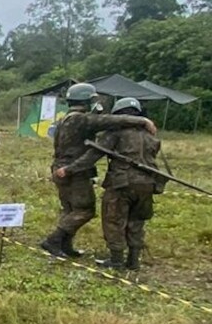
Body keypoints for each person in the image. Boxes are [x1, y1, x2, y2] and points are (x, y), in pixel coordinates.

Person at [39, 83, 156, 258]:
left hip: (62, 167)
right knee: (84, 210)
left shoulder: (66, 118)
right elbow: (109, 120)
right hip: (74, 170)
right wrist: (142, 120)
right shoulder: (81, 119)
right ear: (87, 100)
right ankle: (54, 240)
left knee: (70, 209)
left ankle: (65, 245)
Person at [60, 97, 163, 270]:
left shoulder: (115, 133)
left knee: (114, 220)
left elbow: (92, 156)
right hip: (148, 184)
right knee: (136, 221)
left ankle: (116, 260)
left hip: (121, 183)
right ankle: (133, 260)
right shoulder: (150, 136)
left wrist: (69, 169)